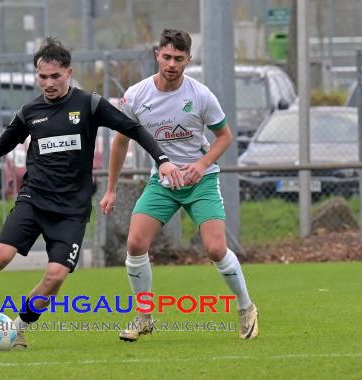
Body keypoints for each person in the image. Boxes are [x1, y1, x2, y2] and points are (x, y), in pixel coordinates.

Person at [0, 37, 184, 349]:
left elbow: (134, 129)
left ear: (69, 73)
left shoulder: (89, 105)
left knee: (56, 276)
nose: (47, 83)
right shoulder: (29, 112)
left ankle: (18, 328)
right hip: (34, 199)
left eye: (54, 76)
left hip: (72, 210)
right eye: (42, 77)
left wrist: (163, 159)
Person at [99, 29, 259, 341]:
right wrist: (111, 188)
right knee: (134, 244)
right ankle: (144, 316)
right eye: (167, 56)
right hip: (162, 183)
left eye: (179, 58)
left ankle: (246, 307)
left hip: (201, 182)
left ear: (188, 59)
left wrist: (201, 165)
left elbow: (224, 136)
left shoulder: (200, 95)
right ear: (157, 55)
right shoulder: (136, 95)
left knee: (215, 249)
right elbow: (120, 143)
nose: (172, 63)